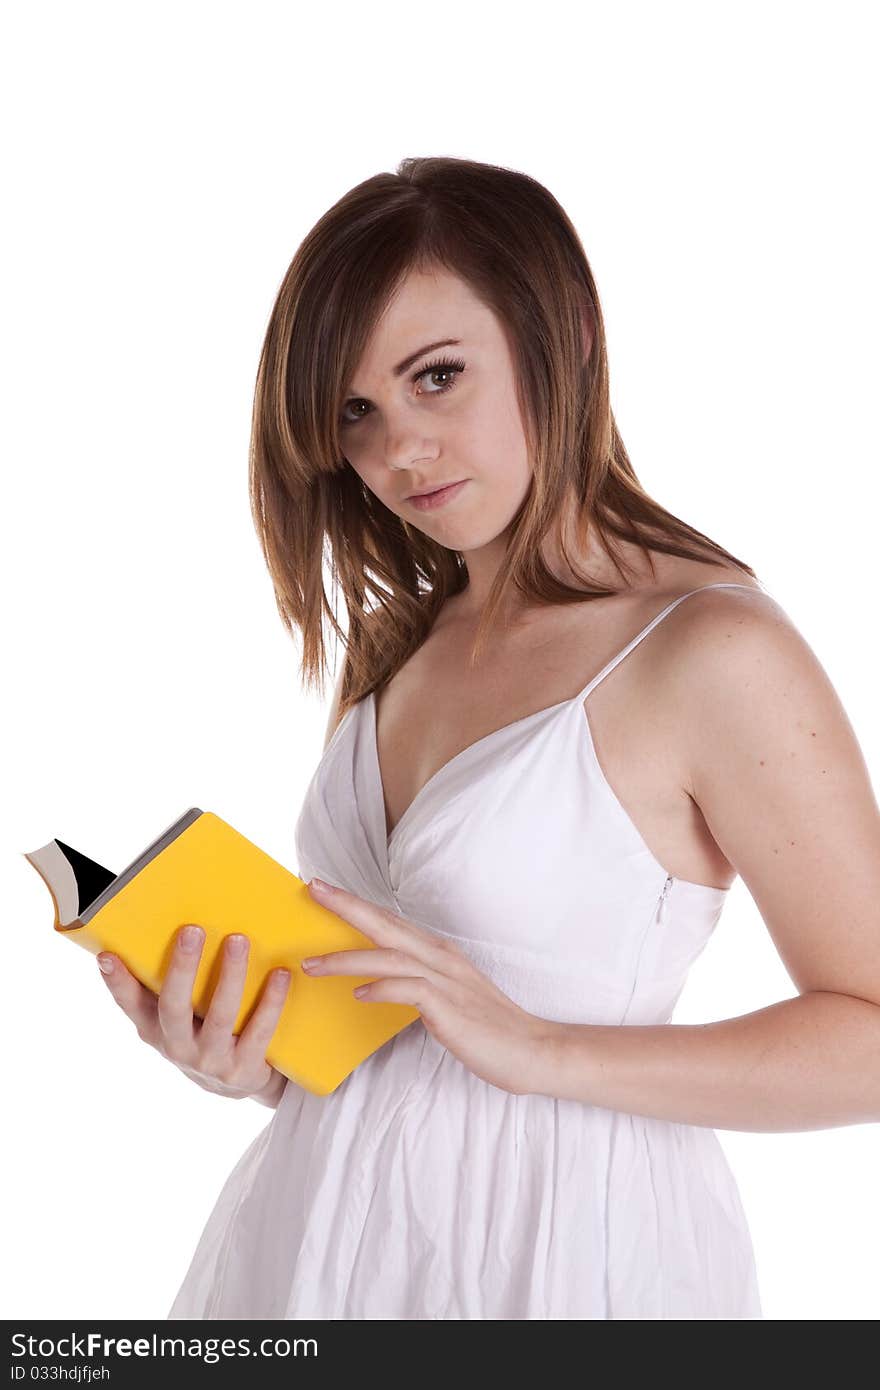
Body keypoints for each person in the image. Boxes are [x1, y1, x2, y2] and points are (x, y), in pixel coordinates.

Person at [97, 157, 880, 1320]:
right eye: (356, 414)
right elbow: (398, 1053)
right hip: (312, 1240)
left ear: (557, 331)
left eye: (438, 377)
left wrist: (540, 1047)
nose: (398, 453)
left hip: (567, 1255)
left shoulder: (709, 652)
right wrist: (251, 1060)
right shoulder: (396, 646)